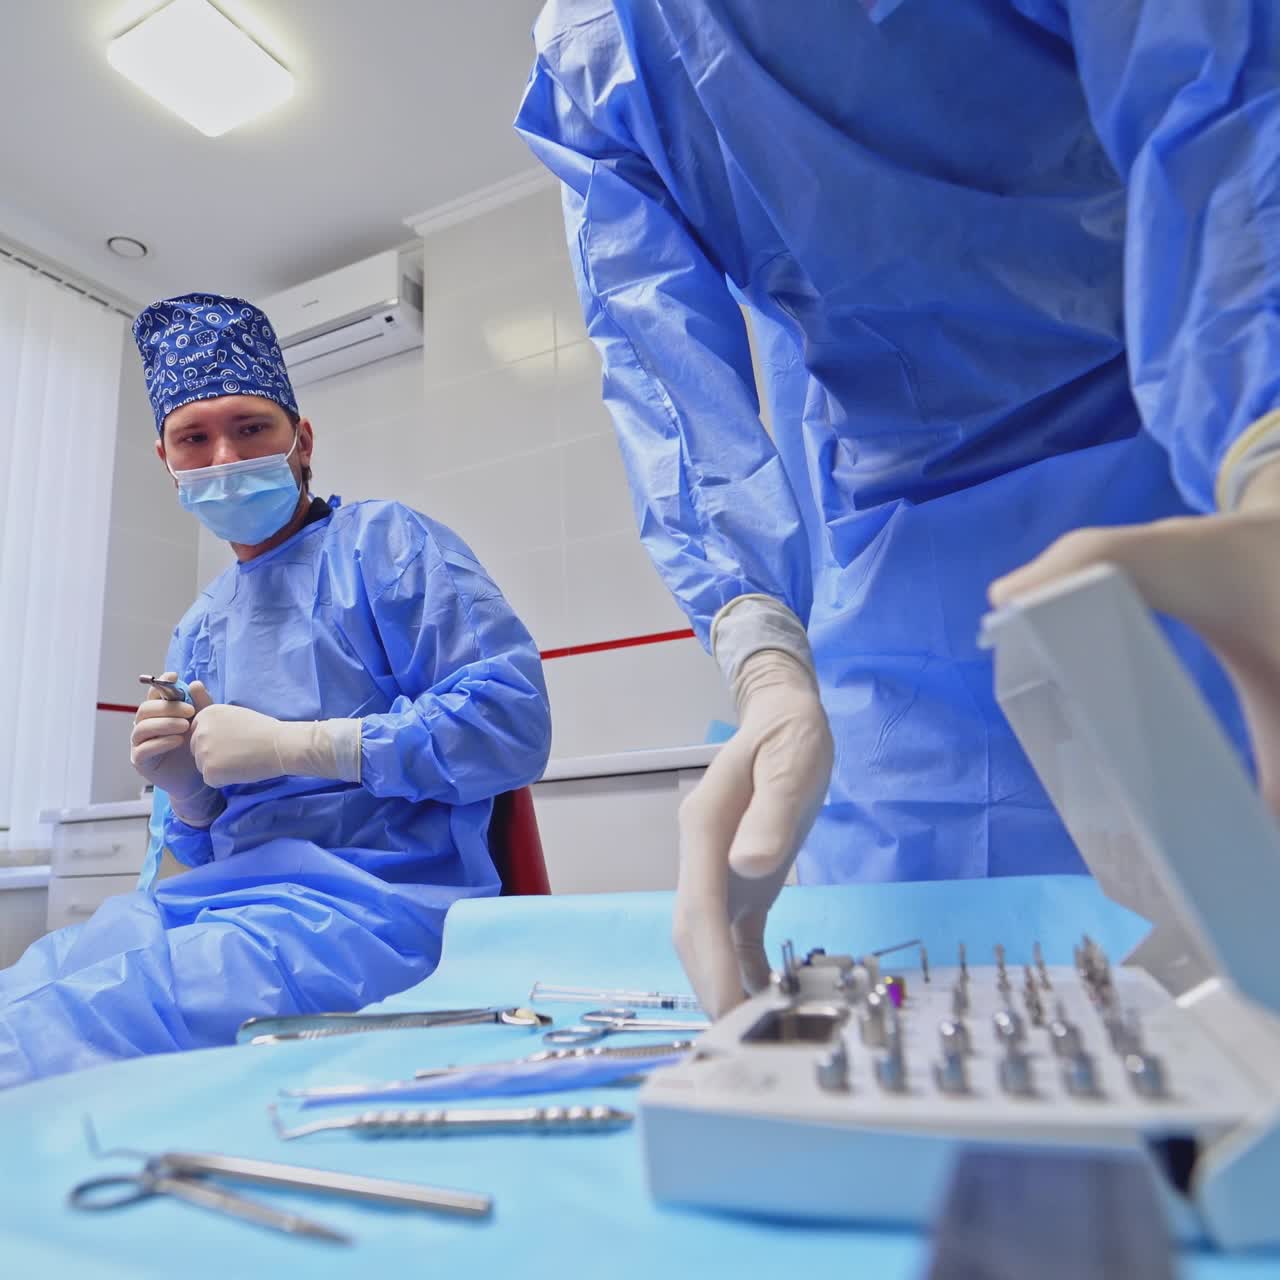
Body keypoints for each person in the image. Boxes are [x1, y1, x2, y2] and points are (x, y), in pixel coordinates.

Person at [516, 0, 1280, 1015]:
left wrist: (1262, 461)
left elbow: (1218, 110)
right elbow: (666, 381)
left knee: (1243, 955)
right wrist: (766, 665)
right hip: (892, 582)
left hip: (1185, 513)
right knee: (928, 1000)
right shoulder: (597, 52)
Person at [0, 293, 552, 1088]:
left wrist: (307, 745)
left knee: (73, 1024)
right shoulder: (198, 627)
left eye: (251, 427)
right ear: (168, 462)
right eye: (195, 437)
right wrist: (188, 796)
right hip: (221, 908)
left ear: (302, 442)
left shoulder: (383, 544)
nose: (224, 457)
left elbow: (512, 723)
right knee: (47, 974)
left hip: (372, 913)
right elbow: (194, 848)